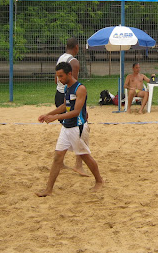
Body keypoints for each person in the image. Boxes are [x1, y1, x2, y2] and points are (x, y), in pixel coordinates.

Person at [36, 62, 103, 197]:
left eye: (61, 76)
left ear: (69, 74)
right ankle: (48, 189)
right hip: (66, 127)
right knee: (57, 157)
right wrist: (48, 114)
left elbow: (76, 111)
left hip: (77, 127)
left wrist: (55, 117)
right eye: (57, 76)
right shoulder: (67, 87)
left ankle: (99, 181)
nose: (59, 79)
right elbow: (64, 106)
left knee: (85, 156)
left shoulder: (80, 88)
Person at [55, 37, 87, 176]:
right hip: (69, 97)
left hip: (59, 93)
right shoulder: (73, 61)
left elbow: (56, 79)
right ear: (77, 47)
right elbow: (73, 84)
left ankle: (60, 160)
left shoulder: (61, 58)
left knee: (67, 128)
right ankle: (78, 165)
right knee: (79, 127)